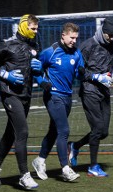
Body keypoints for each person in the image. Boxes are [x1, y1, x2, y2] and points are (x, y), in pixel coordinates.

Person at [0, 14, 43, 190]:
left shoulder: (33, 45)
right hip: (10, 94)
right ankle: (24, 175)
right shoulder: (7, 44)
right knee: (22, 131)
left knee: (10, 134)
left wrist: (39, 69)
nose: (35, 31)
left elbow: (34, 68)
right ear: (24, 26)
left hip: (26, 94)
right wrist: (5, 75)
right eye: (33, 28)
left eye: (37, 28)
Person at [31, 22, 85, 182]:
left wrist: (82, 73)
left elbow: (79, 75)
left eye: (76, 38)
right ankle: (66, 169)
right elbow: (35, 69)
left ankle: (39, 160)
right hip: (53, 96)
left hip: (67, 97)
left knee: (54, 131)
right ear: (63, 35)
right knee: (64, 131)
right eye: (72, 37)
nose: (74, 41)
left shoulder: (77, 54)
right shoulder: (50, 52)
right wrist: (41, 82)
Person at [68, 17, 113, 177]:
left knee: (103, 132)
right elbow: (78, 71)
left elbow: (109, 65)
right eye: (109, 36)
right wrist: (97, 77)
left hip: (104, 91)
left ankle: (75, 146)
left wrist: (112, 76)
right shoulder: (87, 46)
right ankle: (93, 166)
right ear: (102, 32)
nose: (111, 39)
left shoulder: (111, 45)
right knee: (97, 128)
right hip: (89, 90)